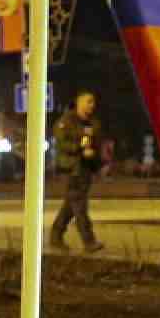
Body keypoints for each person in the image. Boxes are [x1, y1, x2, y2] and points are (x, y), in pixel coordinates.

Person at [51, 91, 107, 254]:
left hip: (85, 169)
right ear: (79, 103)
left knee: (71, 205)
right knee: (79, 205)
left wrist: (97, 164)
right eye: (88, 101)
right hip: (71, 169)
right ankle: (89, 241)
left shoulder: (93, 123)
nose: (92, 105)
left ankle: (56, 235)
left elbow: (96, 145)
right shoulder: (66, 121)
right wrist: (80, 148)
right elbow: (62, 143)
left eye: (93, 102)